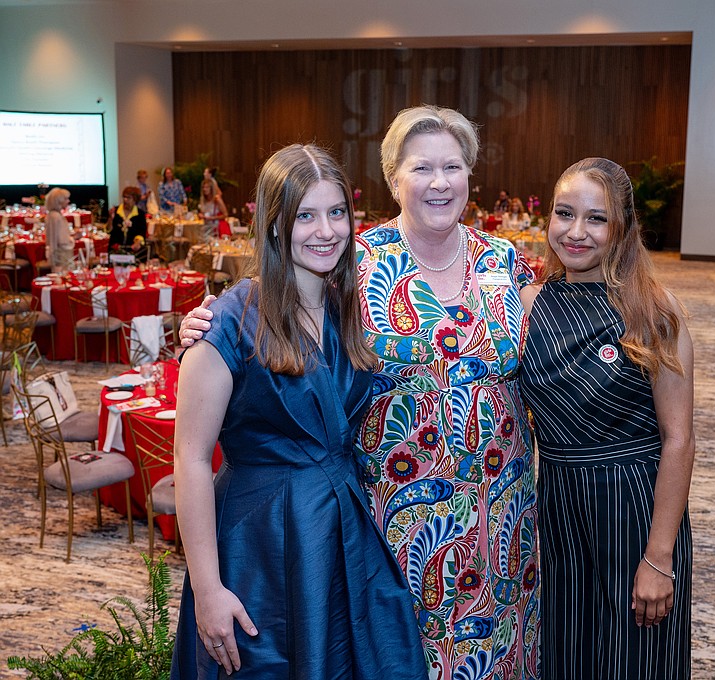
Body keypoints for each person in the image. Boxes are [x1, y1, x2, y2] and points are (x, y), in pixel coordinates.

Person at [180, 106, 540, 679]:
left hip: (501, 522)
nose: (440, 182)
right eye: (422, 168)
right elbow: (260, 321)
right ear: (393, 178)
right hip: (392, 526)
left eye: (453, 166)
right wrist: (203, 328)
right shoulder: (357, 268)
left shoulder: (509, 266)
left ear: (472, 173)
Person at [170, 144, 427, 679]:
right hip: (260, 543)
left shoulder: (344, 308)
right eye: (305, 216)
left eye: (336, 213)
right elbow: (190, 461)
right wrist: (208, 589)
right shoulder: (229, 322)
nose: (325, 231)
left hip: (338, 531)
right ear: (273, 224)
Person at [518, 157, 694, 679]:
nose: (576, 232)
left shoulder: (653, 310)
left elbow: (679, 440)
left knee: (637, 661)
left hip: (635, 508)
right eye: (564, 213)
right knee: (567, 656)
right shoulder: (528, 304)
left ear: (623, 227)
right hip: (559, 507)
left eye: (596, 219)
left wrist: (659, 555)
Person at [106, 186, 147, 259]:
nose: (125, 200)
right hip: (115, 249)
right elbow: (108, 230)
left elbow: (142, 232)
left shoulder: (140, 214)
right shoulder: (115, 211)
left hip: (132, 250)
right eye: (124, 197)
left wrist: (137, 242)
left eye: (128, 198)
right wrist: (110, 219)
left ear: (135, 200)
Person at [44, 187, 75, 273]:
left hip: (55, 254)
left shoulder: (51, 215)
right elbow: (63, 241)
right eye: (66, 199)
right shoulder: (57, 217)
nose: (68, 201)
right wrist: (74, 238)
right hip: (62, 256)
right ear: (59, 200)